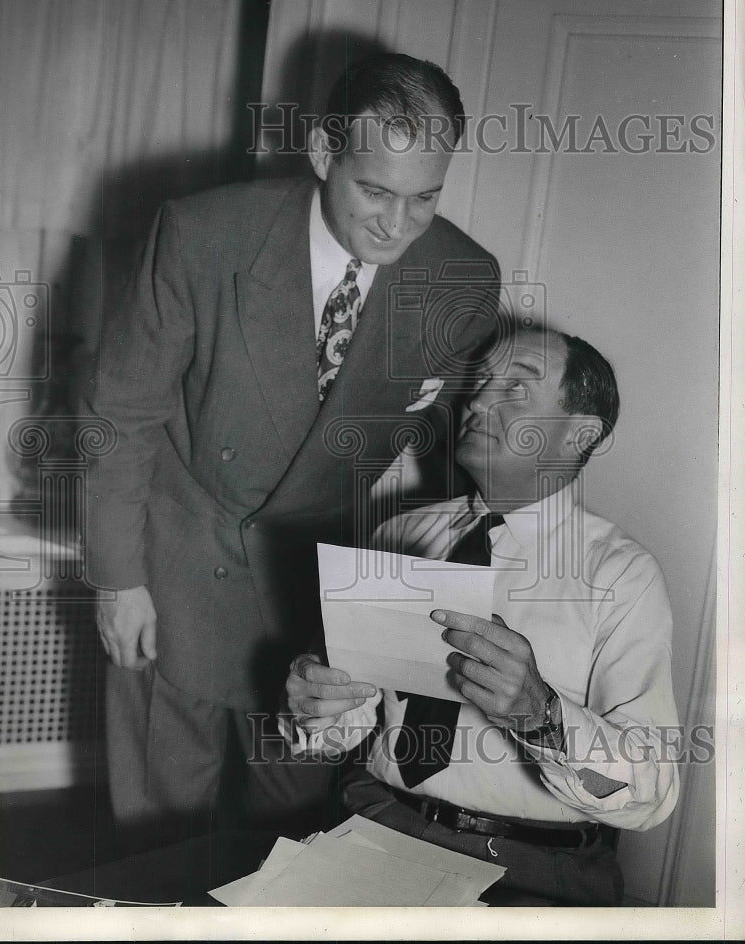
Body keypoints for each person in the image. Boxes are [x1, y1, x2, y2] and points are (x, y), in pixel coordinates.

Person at [83, 52, 500, 848]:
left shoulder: (462, 278)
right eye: (374, 190)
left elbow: (451, 455)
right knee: (163, 838)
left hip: (318, 596)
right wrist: (117, 579)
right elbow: (120, 413)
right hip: (177, 563)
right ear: (321, 153)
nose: (397, 224)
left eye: (425, 199)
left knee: (293, 838)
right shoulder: (204, 234)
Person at [284, 324, 680, 906]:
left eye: (515, 389)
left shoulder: (620, 575)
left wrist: (541, 715)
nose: (478, 399)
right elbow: (349, 730)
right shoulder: (399, 533)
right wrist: (317, 708)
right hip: (372, 825)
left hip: (529, 870)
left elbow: (653, 796)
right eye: (481, 382)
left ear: (580, 433)